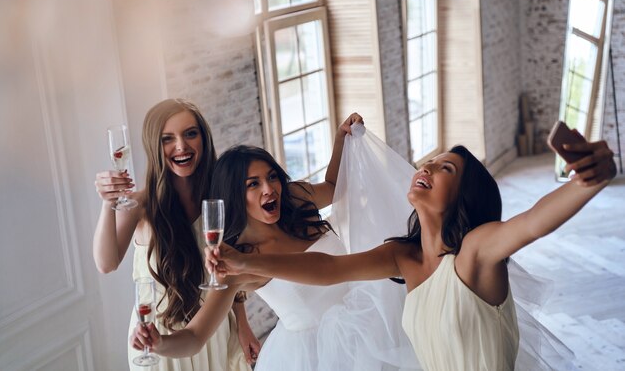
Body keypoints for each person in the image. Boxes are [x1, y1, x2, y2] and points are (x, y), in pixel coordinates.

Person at [207, 122, 617, 371]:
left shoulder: (474, 253)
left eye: (445, 168)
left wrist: (588, 182)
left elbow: (530, 224)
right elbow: (328, 270)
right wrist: (245, 262)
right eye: (429, 161)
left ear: (463, 196)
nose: (427, 168)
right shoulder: (402, 256)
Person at [130, 114, 421, 371]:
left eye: (271, 177)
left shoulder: (294, 199)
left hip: (368, 318)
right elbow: (194, 338)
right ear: (234, 197)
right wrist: (158, 343)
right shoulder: (239, 262)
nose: (269, 189)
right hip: (315, 357)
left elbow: (333, 189)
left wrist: (339, 142)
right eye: (252, 184)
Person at [93, 98, 256, 370]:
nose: (181, 146)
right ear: (153, 147)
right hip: (158, 341)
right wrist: (107, 202)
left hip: (211, 331)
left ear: (204, 138)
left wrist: (243, 324)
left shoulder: (219, 201)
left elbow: (230, 275)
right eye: (167, 138)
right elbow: (106, 263)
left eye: (190, 134)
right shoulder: (141, 207)